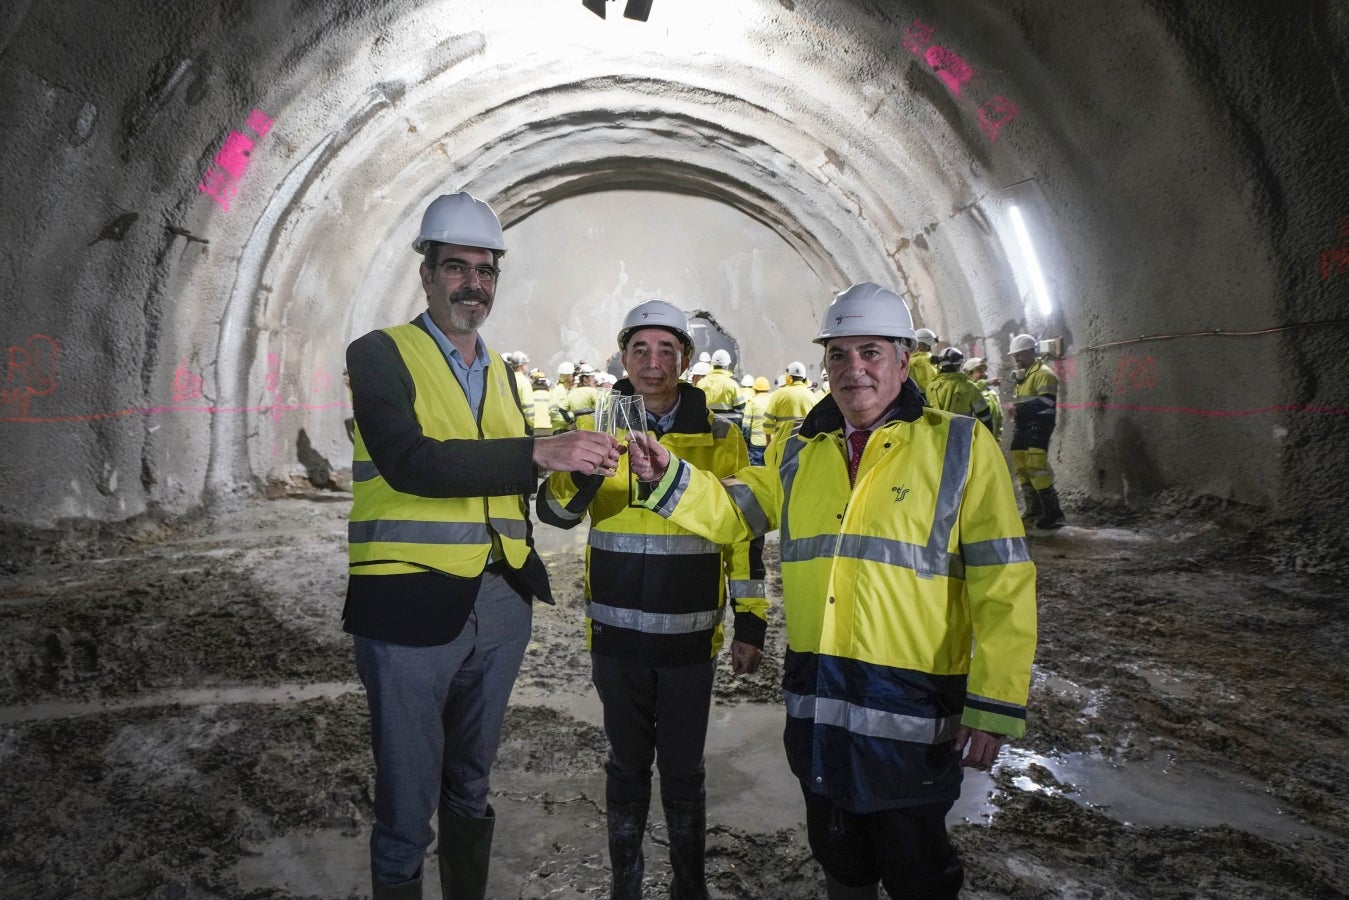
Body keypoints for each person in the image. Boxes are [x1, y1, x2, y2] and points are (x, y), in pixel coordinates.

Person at [626, 282, 1037, 900]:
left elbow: (1003, 580)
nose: (855, 370)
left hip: (913, 711)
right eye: (839, 355)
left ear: (903, 359)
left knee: (918, 873)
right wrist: (672, 478)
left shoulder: (958, 445)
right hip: (820, 707)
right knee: (840, 866)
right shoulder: (801, 451)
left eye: (870, 352)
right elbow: (738, 509)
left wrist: (996, 700)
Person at [344, 191, 621, 900]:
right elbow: (410, 461)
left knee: (470, 780)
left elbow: (536, 506)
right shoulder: (379, 354)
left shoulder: (501, 373)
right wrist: (539, 450)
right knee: (408, 798)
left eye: (486, 271)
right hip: (408, 607)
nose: (474, 285)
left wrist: (586, 471)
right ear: (427, 274)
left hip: (499, 604)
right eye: (458, 268)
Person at [536, 299, 767, 900]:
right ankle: (626, 885)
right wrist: (583, 471)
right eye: (641, 349)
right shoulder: (599, 428)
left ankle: (689, 886)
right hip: (616, 637)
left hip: (690, 639)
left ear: (686, 360)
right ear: (624, 357)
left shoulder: (721, 437)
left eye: (667, 350)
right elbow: (557, 514)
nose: (653, 362)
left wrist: (751, 621)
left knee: (685, 772)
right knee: (627, 767)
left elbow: (743, 535)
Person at [1009, 333, 1066, 528]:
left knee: (1036, 466)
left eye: (1020, 354)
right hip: (1023, 426)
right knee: (1020, 465)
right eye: (1014, 355)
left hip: (1039, 425)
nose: (1017, 358)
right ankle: (1033, 509)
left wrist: (1018, 409)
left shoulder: (1043, 374)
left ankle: (1053, 512)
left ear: (1031, 352)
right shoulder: (1024, 377)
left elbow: (1047, 401)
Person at [927, 346, 994, 433]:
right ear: (957, 365)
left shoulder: (931, 388)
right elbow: (984, 414)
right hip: (963, 438)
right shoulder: (968, 386)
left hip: (938, 439)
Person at [762, 361, 816, 442]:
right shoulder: (812, 397)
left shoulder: (778, 394)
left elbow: (768, 422)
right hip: (804, 445)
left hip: (781, 443)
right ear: (805, 379)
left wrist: (769, 442)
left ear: (787, 378)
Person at [698, 347, 746, 430]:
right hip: (727, 428)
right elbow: (740, 407)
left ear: (712, 365)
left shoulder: (701, 383)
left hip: (706, 426)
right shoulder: (732, 384)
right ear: (727, 366)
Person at [962, 356, 1003, 440]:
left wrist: (996, 441)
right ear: (968, 374)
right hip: (975, 443)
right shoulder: (965, 393)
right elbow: (972, 390)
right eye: (980, 370)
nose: (984, 374)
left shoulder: (992, 394)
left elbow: (999, 420)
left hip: (990, 442)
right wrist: (986, 383)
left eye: (985, 370)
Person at [742, 375, 772, 466]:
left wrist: (745, 441)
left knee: (756, 473)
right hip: (771, 443)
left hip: (756, 444)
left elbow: (746, 425)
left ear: (754, 390)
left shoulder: (752, 402)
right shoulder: (773, 401)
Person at [567, 363, 601, 430]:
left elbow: (563, 411)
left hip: (575, 428)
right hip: (590, 428)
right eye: (592, 377)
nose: (594, 380)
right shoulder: (592, 391)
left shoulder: (570, 393)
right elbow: (603, 408)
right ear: (585, 378)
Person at [909, 327, 940, 395]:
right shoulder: (925, 360)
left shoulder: (910, 360)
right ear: (920, 345)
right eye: (930, 345)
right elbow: (931, 384)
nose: (932, 348)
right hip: (927, 399)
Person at [550, 361, 576, 432]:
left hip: (568, 429)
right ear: (568, 376)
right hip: (559, 430)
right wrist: (569, 418)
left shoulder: (568, 390)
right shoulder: (557, 391)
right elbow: (553, 413)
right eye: (574, 375)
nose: (575, 377)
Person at [530, 369, 553, 436]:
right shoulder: (550, 394)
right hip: (549, 427)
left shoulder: (530, 395)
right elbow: (554, 412)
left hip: (535, 427)